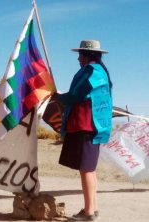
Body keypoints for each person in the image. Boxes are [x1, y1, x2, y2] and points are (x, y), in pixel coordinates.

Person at [55, 40, 113, 221]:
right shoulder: (99, 72)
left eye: (80, 54)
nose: (78, 58)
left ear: (89, 55)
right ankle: (92, 208)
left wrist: (56, 96)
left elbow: (77, 95)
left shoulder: (93, 72)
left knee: (86, 169)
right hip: (90, 126)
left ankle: (88, 213)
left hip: (86, 125)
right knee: (89, 169)